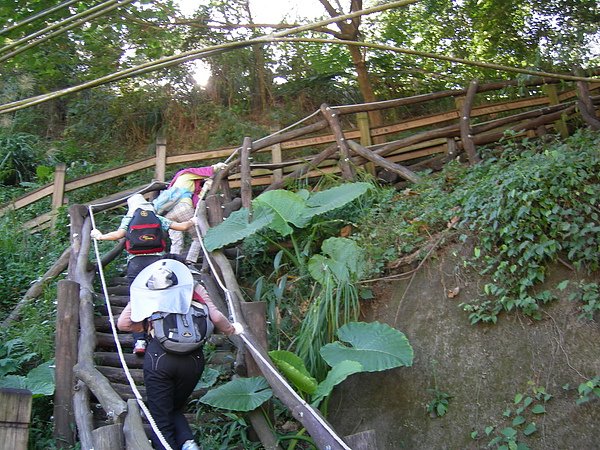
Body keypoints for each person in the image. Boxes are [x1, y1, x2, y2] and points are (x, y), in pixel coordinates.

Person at [117, 256, 243, 450]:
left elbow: (123, 324)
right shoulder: (194, 286)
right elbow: (216, 317)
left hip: (160, 358)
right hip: (193, 359)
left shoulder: (150, 288)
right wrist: (231, 330)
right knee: (174, 407)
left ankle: (175, 445)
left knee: (160, 416)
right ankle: (188, 442)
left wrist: (147, 326)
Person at [91, 193, 198, 355]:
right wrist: (193, 221)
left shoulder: (129, 219)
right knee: (160, 296)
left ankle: (139, 341)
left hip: (136, 264)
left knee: (137, 300)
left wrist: (99, 236)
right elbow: (182, 227)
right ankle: (161, 333)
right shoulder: (156, 218)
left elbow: (117, 235)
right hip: (157, 263)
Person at [155, 163, 227, 265]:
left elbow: (197, 198)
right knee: (198, 237)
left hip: (168, 214)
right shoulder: (186, 174)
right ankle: (190, 262)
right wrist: (217, 166)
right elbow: (202, 171)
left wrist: (205, 187)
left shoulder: (174, 185)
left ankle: (173, 264)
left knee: (176, 240)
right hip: (183, 208)